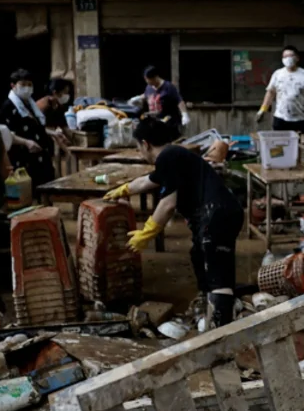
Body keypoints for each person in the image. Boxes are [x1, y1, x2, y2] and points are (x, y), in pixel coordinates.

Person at [103, 117, 244, 328]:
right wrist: (124, 189)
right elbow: (148, 180)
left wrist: (147, 232)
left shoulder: (168, 156)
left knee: (217, 275)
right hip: (218, 214)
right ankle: (210, 312)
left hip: (216, 215)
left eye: (138, 147)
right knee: (200, 258)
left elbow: (168, 204)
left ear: (145, 144)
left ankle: (220, 333)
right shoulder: (173, 156)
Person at [0, 68, 56, 189]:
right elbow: (6, 134)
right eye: (23, 84)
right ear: (13, 86)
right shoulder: (8, 107)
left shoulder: (31, 104)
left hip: (40, 155)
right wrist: (26, 142)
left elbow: (35, 127)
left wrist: (52, 133)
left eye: (29, 84)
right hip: (23, 157)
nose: (27, 88)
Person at [257, 45, 304, 134]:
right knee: (279, 146)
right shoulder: (277, 74)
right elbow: (270, 93)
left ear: (297, 58)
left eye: (290, 56)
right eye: (285, 57)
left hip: (299, 119)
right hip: (280, 118)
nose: (287, 59)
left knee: (299, 145)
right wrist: (263, 109)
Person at [137, 66, 190, 131]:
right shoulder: (149, 87)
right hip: (154, 121)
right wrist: (137, 98)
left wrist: (184, 114)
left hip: (168, 121)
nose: (148, 83)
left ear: (155, 77)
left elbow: (179, 100)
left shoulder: (168, 87)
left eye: (149, 80)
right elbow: (146, 95)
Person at [36, 77, 73, 151]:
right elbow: (38, 127)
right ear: (55, 93)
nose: (67, 96)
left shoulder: (58, 106)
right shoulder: (43, 106)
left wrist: (73, 138)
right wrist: (55, 134)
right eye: (65, 93)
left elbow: (64, 126)